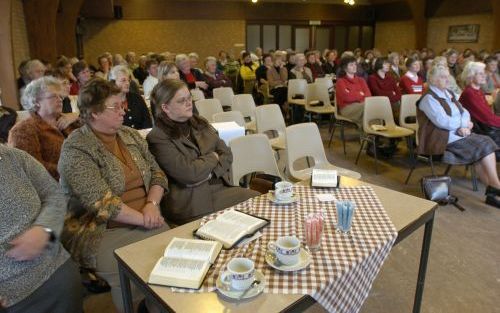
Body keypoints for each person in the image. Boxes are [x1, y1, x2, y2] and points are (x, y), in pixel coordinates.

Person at [58, 78, 170, 312]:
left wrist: (151, 205)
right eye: (116, 106)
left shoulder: (129, 135)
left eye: (123, 104)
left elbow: (157, 174)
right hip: (99, 229)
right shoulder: (76, 148)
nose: (124, 110)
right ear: (94, 113)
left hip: (147, 216)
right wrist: (146, 219)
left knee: (172, 262)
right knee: (132, 272)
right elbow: (102, 203)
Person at [147, 79, 260, 225]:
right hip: (191, 202)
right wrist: (213, 156)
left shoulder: (198, 122)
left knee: (258, 201)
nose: (189, 103)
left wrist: (210, 174)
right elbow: (189, 174)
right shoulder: (158, 137)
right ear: (166, 107)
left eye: (189, 98)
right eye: (182, 101)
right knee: (253, 206)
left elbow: (226, 153)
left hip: (218, 187)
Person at [0, 145, 83, 313]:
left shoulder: (14, 157)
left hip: (57, 268)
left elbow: (55, 195)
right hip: (11, 296)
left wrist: (45, 230)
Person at [417, 65, 500, 208]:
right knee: (483, 145)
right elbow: (443, 122)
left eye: (448, 76)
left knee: (486, 142)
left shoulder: (449, 94)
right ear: (433, 80)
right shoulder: (428, 98)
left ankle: (493, 191)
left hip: (459, 134)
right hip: (441, 139)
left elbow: (465, 112)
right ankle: (495, 188)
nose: (448, 79)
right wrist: (462, 125)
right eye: (443, 77)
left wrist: (465, 125)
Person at [8, 76, 81, 180]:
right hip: (56, 187)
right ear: (36, 101)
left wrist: (78, 116)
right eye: (53, 96)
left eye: (60, 96)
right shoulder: (24, 130)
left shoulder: (69, 121)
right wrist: (73, 171)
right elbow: (31, 168)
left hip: (85, 178)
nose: (59, 100)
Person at [459, 61, 500, 157]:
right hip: (480, 131)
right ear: (471, 76)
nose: (484, 76)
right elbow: (487, 118)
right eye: (480, 73)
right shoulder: (469, 93)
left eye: (484, 73)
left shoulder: (478, 91)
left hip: (486, 128)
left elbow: (489, 116)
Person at [110, 65, 152, 130]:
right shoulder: (109, 102)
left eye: (128, 80)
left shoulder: (137, 98)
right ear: (113, 83)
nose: (127, 83)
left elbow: (147, 122)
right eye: (123, 80)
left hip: (141, 137)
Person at [335, 56, 371, 127]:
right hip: (347, 108)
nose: (354, 66)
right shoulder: (341, 81)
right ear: (345, 68)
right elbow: (347, 97)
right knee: (368, 106)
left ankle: (371, 133)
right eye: (351, 65)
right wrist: (360, 94)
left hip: (361, 105)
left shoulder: (361, 80)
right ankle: (369, 133)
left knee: (373, 108)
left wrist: (353, 94)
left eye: (355, 64)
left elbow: (368, 95)